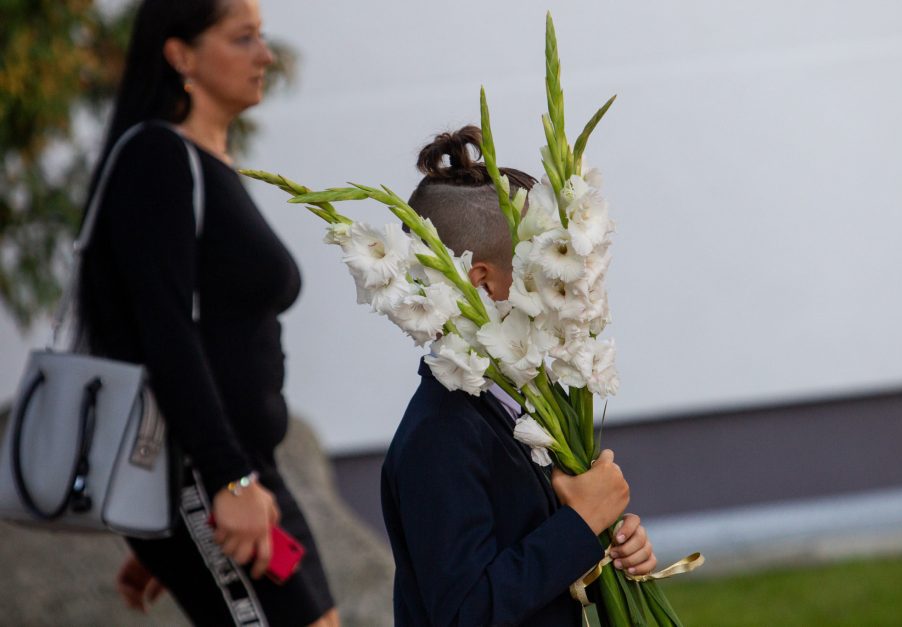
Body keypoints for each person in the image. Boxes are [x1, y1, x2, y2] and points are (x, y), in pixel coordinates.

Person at [77, 1, 338, 625]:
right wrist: (221, 487)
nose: (265, 55)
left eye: (262, 37)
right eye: (242, 38)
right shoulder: (157, 159)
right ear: (180, 54)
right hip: (207, 473)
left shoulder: (204, 161)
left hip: (241, 476)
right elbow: (163, 331)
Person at [381, 126, 657, 626]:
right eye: (537, 272)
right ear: (480, 281)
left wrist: (604, 552)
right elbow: (465, 613)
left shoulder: (513, 405)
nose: (562, 286)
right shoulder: (440, 436)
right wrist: (580, 523)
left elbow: (526, 571)